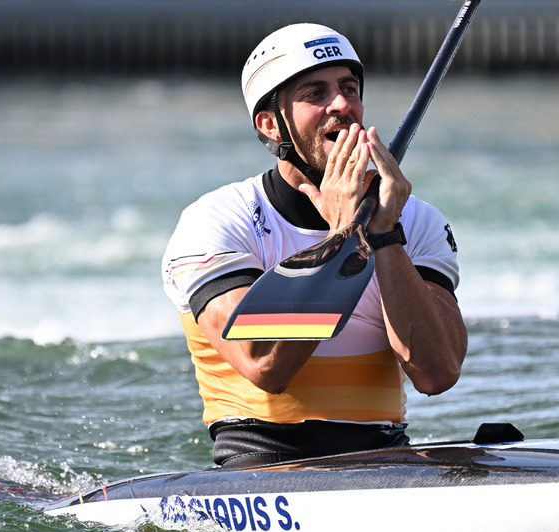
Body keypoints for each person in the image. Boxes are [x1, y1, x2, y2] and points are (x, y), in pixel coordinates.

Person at [161, 23, 467, 468]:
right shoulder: (216, 221)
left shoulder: (415, 219)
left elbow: (437, 374)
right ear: (270, 124)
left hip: (386, 460)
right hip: (259, 468)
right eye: (315, 93)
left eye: (348, 87)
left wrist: (384, 236)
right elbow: (265, 364)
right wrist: (344, 235)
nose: (342, 104)